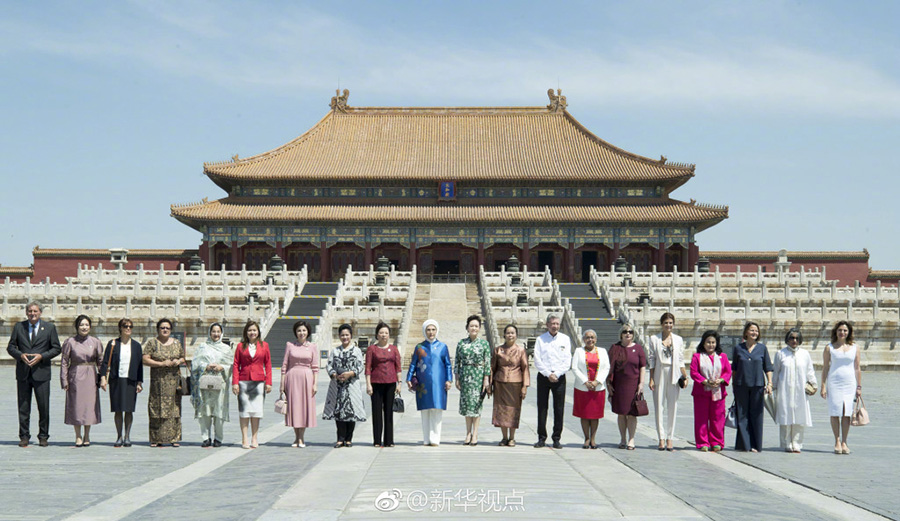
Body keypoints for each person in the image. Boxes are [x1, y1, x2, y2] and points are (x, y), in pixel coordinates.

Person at [7, 301, 61, 447]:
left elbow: (56, 348)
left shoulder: (49, 328)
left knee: (43, 407)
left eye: (35, 311)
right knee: (23, 407)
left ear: (40, 313)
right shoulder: (19, 327)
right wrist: (20, 355)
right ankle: (24, 436)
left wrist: (41, 356)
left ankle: (43, 436)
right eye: (30, 311)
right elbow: (11, 347)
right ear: (26, 312)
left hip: (42, 373)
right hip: (23, 373)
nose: (32, 314)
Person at [406, 319, 452, 446]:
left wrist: (449, 380)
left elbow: (448, 365)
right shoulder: (419, 347)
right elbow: (413, 364)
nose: (431, 332)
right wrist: (409, 378)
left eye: (433, 330)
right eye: (428, 330)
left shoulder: (443, 347)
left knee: (437, 409)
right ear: (424, 331)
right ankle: (426, 438)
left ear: (437, 331)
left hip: (439, 382)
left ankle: (435, 438)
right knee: (425, 410)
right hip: (423, 383)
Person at [99, 318, 143, 447]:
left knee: (129, 409)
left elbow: (139, 365)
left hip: (131, 380)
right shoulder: (113, 343)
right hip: (116, 379)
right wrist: (103, 377)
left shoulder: (136, 345)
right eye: (125, 326)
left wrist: (140, 382)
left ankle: (127, 436)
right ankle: (119, 436)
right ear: (120, 328)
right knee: (118, 409)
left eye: (130, 326)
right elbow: (105, 361)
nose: (128, 328)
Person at [60, 315, 103, 447]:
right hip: (76, 374)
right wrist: (64, 379)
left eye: (86, 325)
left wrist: (103, 378)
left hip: (90, 375)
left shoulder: (96, 342)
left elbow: (101, 361)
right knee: (77, 405)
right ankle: (78, 435)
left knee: (89, 406)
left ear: (90, 327)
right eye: (81, 325)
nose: (84, 327)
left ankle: (87, 434)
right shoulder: (70, 342)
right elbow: (64, 362)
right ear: (77, 327)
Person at [647, 312, 687, 451]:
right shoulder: (654, 339)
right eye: (666, 323)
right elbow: (652, 360)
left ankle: (670, 437)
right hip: (659, 371)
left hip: (674, 373)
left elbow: (681, 359)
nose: (668, 325)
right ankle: (661, 438)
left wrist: (685, 376)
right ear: (661, 324)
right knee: (659, 406)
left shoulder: (678, 339)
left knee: (672, 407)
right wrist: (651, 378)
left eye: (670, 323)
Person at [142, 318, 185, 447]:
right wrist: (161, 363)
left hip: (174, 382)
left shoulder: (177, 343)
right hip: (158, 382)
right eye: (162, 328)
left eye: (167, 328)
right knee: (156, 408)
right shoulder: (152, 343)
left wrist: (179, 361)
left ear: (171, 330)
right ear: (158, 329)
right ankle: (156, 438)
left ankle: (174, 438)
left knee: (174, 409)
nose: (165, 330)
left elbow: (183, 357)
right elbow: (145, 359)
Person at [731, 321, 773, 453]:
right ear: (746, 333)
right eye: (752, 330)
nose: (755, 333)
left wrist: (769, 383)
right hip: (741, 385)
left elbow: (768, 367)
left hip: (757, 385)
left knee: (756, 415)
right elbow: (734, 369)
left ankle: (755, 444)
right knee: (742, 415)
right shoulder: (738, 348)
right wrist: (733, 384)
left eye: (756, 331)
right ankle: (745, 444)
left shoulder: (762, 348)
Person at [820, 320, 861, 455]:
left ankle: (845, 441)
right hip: (834, 382)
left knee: (846, 413)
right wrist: (823, 385)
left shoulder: (855, 347)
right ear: (835, 332)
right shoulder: (829, 347)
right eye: (840, 330)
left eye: (845, 330)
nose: (842, 332)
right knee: (835, 412)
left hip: (849, 383)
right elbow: (825, 367)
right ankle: (837, 441)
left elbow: (857, 367)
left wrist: (859, 386)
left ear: (848, 332)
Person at [191, 323, 235, 447]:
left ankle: (218, 438)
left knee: (219, 411)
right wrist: (206, 366)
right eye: (213, 331)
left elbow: (231, 365)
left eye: (218, 331)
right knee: (205, 411)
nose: (216, 334)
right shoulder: (202, 347)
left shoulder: (226, 349)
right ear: (210, 333)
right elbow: (195, 363)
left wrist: (222, 367)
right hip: (205, 384)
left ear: (221, 333)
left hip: (220, 384)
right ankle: (205, 437)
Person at [773, 328, 817, 453]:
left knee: (799, 417)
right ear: (787, 339)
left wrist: (814, 384)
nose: (794, 340)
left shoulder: (805, 354)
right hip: (784, 390)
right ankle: (786, 443)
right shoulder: (780, 354)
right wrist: (772, 386)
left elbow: (810, 370)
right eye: (792, 338)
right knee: (785, 416)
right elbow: (776, 372)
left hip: (800, 390)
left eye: (797, 338)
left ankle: (797, 443)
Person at [323, 324, 366, 447]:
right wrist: (335, 375)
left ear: (351, 336)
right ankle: (340, 438)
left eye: (347, 335)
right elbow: (329, 365)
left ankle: (348, 438)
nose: (345, 337)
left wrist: (350, 373)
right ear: (339, 336)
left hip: (351, 385)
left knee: (351, 411)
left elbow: (360, 366)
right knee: (339, 412)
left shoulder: (356, 351)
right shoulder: (335, 351)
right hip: (338, 386)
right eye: (342, 335)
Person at [533, 313, 572, 449]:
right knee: (542, 407)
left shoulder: (565, 339)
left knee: (559, 408)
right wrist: (548, 374)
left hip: (559, 377)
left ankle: (556, 438)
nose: (555, 326)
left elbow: (567, 360)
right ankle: (541, 437)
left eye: (557, 324)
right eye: (552, 323)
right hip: (544, 377)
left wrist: (557, 373)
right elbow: (537, 359)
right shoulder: (540, 339)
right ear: (547, 325)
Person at [232, 320, 272, 449]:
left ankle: (254, 438)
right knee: (244, 412)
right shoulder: (240, 346)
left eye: (254, 330)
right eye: (250, 330)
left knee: (256, 412)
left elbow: (268, 365)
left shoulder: (264, 345)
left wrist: (269, 382)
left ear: (258, 332)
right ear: (246, 332)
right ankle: (244, 438)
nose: (252, 332)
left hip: (259, 382)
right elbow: (236, 364)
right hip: (244, 381)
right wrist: (235, 383)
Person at [690, 330, 732, 452]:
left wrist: (721, 380)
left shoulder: (722, 357)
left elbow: (727, 372)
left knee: (718, 418)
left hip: (718, 392)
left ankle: (717, 441)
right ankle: (702, 442)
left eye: (713, 342)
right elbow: (694, 372)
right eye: (708, 342)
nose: (711, 345)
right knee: (701, 418)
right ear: (703, 343)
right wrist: (705, 381)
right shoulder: (697, 357)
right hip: (701, 392)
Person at [607, 323, 646, 450]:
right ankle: (623, 438)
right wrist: (608, 383)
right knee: (621, 413)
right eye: (625, 332)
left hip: (633, 384)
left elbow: (642, 366)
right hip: (619, 385)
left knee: (632, 413)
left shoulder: (638, 348)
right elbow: (608, 367)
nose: (628, 334)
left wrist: (641, 383)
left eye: (630, 332)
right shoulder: (615, 348)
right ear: (621, 334)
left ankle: (631, 439)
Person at [454, 315, 491, 446]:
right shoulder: (461, 343)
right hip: (465, 377)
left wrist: (486, 380)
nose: (474, 328)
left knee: (476, 406)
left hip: (478, 377)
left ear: (479, 328)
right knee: (467, 406)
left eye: (476, 326)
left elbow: (487, 363)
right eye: (471, 326)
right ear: (467, 328)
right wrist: (456, 378)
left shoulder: (484, 344)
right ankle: (468, 433)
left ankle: (475, 433)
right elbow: (457, 362)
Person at [491, 324, 529, 447]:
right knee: (501, 410)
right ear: (504, 335)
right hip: (500, 383)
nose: (510, 335)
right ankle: (504, 437)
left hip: (515, 384)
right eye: (508, 333)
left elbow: (525, 368)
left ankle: (512, 437)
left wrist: (525, 386)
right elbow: (493, 368)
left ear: (516, 335)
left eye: (512, 333)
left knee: (513, 411)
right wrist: (489, 384)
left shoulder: (521, 350)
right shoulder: (498, 350)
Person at [281, 320, 317, 448]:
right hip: (292, 378)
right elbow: (284, 365)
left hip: (307, 378)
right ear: (295, 332)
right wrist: (282, 383)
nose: (301, 333)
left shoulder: (312, 346)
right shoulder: (290, 345)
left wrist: (315, 383)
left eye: (304, 330)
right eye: (299, 330)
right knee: (294, 408)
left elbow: (315, 367)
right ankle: (296, 437)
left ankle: (301, 437)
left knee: (304, 408)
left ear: (308, 332)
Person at [571, 329, 609, 449]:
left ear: (596, 339)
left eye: (592, 337)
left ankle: (593, 438)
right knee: (584, 414)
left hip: (598, 388)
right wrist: (585, 382)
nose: (590, 340)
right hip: (583, 387)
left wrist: (597, 381)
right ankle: (586, 438)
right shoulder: (578, 351)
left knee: (594, 415)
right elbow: (574, 368)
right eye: (587, 337)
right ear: (583, 339)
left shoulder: (602, 351)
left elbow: (606, 367)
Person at [365, 322, 401, 447]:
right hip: (376, 383)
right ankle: (376, 440)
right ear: (377, 335)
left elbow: (398, 368)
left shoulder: (394, 349)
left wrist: (399, 383)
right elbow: (368, 368)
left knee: (388, 411)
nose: (383, 335)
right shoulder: (372, 349)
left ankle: (389, 440)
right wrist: (368, 384)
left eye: (386, 333)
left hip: (390, 383)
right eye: (381, 333)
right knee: (376, 412)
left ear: (389, 335)